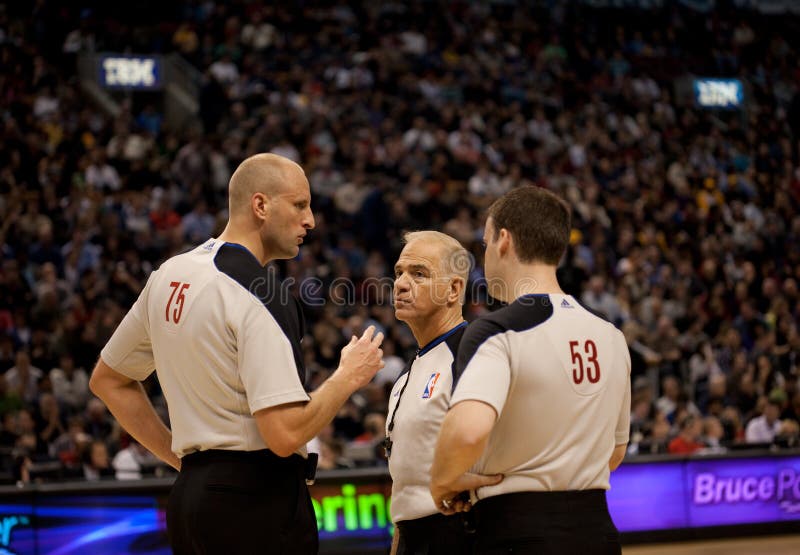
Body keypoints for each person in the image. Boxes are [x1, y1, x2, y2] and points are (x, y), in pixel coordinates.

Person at [89, 153, 385, 555]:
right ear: (260, 205)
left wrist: (184, 462)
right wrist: (348, 377)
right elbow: (284, 435)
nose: (311, 220)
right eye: (300, 204)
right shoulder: (262, 291)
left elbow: (109, 380)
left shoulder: (170, 274)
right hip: (256, 504)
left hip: (191, 500)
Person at [430, 186, 631, 555]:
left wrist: (442, 481)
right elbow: (615, 452)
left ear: (504, 241)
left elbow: (468, 431)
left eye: (486, 243)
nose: (485, 255)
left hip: (517, 530)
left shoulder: (497, 329)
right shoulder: (612, 337)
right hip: (598, 531)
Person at [387, 231, 502, 555]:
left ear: (454, 289)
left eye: (419, 274)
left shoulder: (478, 354)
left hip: (464, 533)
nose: (401, 283)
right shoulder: (404, 378)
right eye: (399, 273)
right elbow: (406, 490)